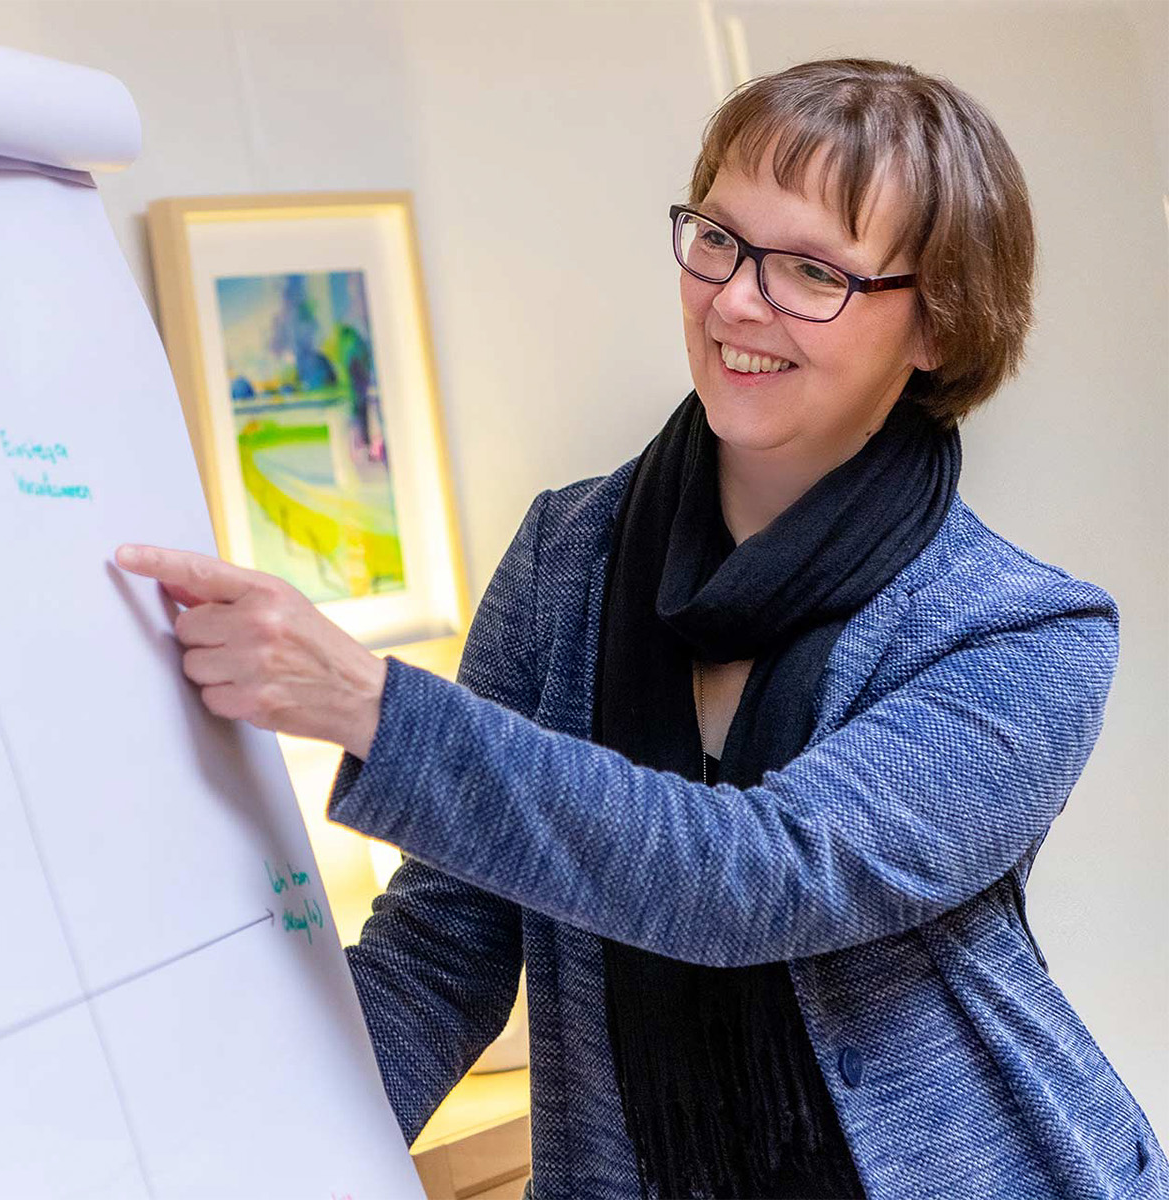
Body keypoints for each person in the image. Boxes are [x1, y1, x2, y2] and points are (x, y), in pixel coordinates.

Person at [116, 58, 1162, 1199]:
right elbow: (444, 944)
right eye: (719, 239)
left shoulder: (1024, 632)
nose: (737, 302)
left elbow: (759, 881)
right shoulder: (564, 557)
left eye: (813, 270)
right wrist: (241, 1162)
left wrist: (372, 706)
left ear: (938, 329)